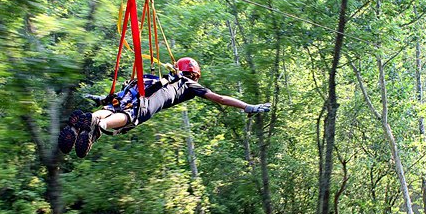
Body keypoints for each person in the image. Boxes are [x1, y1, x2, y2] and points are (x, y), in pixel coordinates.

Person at [58, 57, 271, 158]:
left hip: (131, 91)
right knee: (129, 117)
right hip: (144, 102)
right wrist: (247, 107)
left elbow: (123, 94)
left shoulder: (160, 78)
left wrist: (101, 97)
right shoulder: (188, 84)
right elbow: (220, 98)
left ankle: (87, 122)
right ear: (195, 74)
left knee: (114, 106)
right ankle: (99, 123)